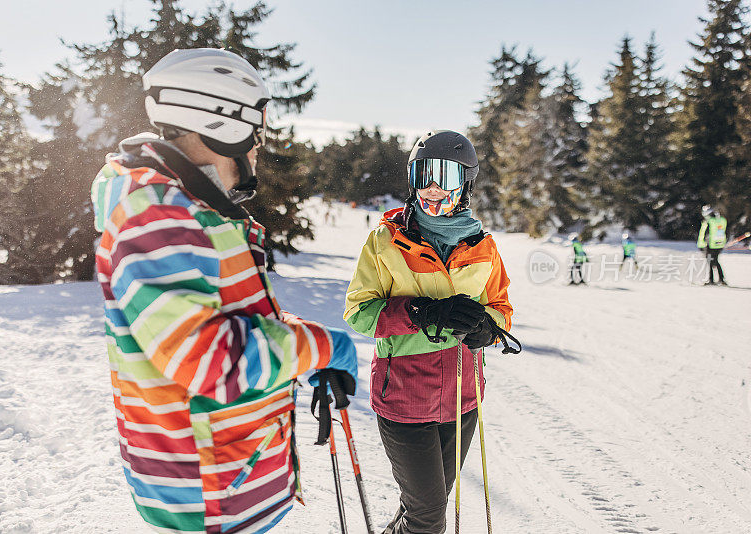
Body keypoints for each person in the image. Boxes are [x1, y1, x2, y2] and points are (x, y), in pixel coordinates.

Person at [90, 48, 357, 534]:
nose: (257, 147)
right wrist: (320, 345)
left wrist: (307, 352)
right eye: (255, 131)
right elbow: (209, 358)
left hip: (230, 478)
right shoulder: (159, 216)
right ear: (223, 123)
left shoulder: (194, 212)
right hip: (210, 495)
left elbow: (231, 323)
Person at [344, 131, 514, 534]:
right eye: (424, 175)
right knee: (429, 514)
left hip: (463, 399)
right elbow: (359, 312)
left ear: (466, 184)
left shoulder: (483, 248)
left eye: (446, 177)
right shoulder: (385, 242)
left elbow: (502, 309)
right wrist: (420, 312)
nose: (433, 189)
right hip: (404, 397)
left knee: (423, 507)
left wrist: (487, 330)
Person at [697, 205, 728, 285]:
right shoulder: (721, 220)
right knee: (715, 261)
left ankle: (711, 279)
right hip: (719, 244)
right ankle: (721, 279)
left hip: (710, 244)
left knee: (711, 261)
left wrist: (701, 244)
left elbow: (704, 234)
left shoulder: (708, 221)